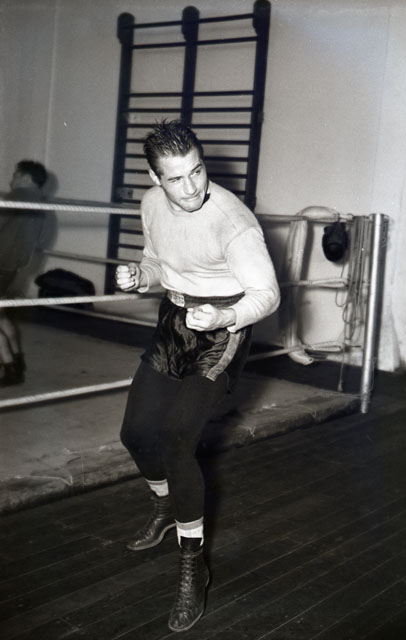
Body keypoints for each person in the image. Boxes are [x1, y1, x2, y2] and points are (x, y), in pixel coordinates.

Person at [116, 120, 280, 632]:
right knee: (135, 433)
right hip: (174, 321)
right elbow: (157, 261)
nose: (190, 188)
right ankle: (167, 506)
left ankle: (193, 565)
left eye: (197, 171)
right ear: (154, 178)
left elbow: (267, 295)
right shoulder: (151, 203)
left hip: (222, 329)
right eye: (175, 178)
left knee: (176, 438)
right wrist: (140, 275)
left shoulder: (234, 222)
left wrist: (224, 316)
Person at [0, 160, 48, 385]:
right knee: (1, 316)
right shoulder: (39, 202)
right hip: (13, 268)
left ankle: (10, 367)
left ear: (26, 177)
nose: (12, 180)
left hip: (1, 263)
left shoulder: (16, 196)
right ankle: (18, 360)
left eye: (15, 175)